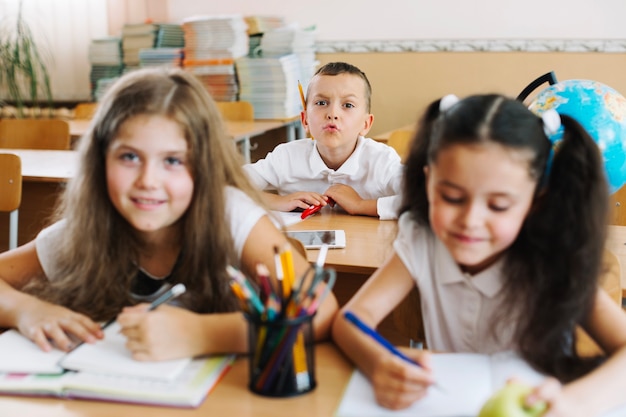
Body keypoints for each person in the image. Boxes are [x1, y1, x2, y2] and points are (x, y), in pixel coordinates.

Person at [0, 67, 337, 361]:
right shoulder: (85, 231)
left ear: (203, 168)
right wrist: (26, 310)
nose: (148, 181)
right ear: (100, 162)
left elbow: (321, 311)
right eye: (129, 157)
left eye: (173, 161)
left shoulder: (230, 214)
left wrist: (203, 335)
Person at [332, 93, 626, 416]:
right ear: (429, 184)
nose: (470, 221)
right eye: (452, 197)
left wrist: (574, 402)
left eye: (498, 206)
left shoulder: (552, 256)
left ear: (535, 201)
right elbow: (351, 320)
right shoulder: (422, 240)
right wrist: (378, 363)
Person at [243, 62, 403, 220]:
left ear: (365, 124)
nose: (332, 113)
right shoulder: (287, 157)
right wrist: (278, 201)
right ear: (305, 120)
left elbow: (422, 198)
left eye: (348, 105)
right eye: (321, 103)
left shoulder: (382, 160)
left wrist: (360, 205)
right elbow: (225, 185)